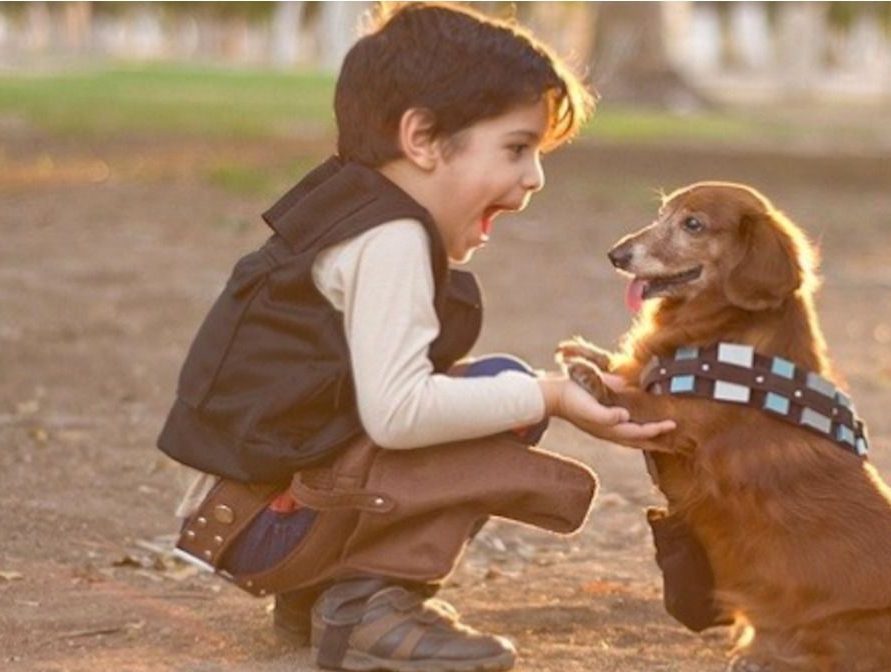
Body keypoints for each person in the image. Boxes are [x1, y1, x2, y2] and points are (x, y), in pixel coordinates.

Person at [155, 4, 673, 671]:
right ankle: (366, 607)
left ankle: (322, 595)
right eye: (517, 148)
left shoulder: (353, 211)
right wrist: (549, 396)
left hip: (250, 516)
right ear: (424, 139)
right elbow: (397, 414)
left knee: (493, 390)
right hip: (262, 529)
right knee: (503, 397)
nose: (535, 178)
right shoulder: (390, 240)